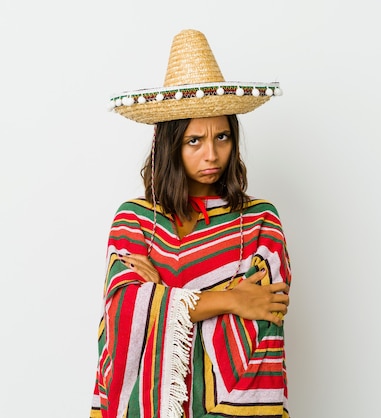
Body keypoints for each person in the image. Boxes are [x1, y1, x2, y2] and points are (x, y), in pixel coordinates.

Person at [91, 29, 291, 418]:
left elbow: (266, 312)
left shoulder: (258, 220)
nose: (212, 154)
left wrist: (159, 296)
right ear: (170, 145)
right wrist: (229, 298)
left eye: (222, 137)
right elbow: (121, 310)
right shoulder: (135, 219)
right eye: (194, 141)